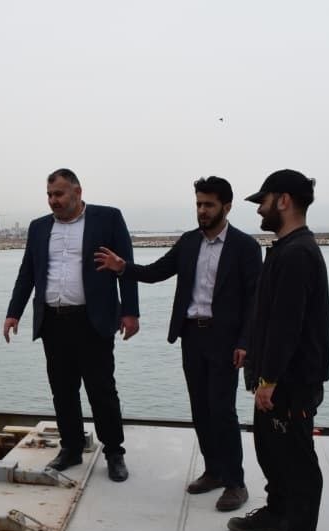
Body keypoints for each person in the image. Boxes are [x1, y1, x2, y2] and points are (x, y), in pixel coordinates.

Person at [94, 176, 262, 512]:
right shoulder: (188, 242)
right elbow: (157, 271)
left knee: (222, 411)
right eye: (199, 204)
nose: (202, 210)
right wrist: (122, 268)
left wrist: (246, 342)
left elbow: (254, 301)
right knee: (200, 409)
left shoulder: (245, 246)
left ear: (227, 207)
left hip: (225, 340)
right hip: (192, 336)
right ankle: (213, 471)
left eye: (209, 204)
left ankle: (235, 483)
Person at [226, 169, 329, 531]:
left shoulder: (298, 253)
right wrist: (256, 363)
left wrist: (269, 380)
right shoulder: (284, 249)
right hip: (274, 376)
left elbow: (289, 325)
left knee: (297, 458)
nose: (260, 210)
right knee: (270, 449)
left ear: (283, 200)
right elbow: (268, 317)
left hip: (293, 379)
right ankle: (278, 511)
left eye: (264, 201)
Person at [3, 168, 140, 481]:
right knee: (62, 389)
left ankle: (114, 452)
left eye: (59, 194)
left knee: (101, 389)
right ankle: (71, 447)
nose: (53, 200)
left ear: (77, 192)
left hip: (92, 320)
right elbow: (27, 273)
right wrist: (14, 313)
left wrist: (130, 312)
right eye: (49, 195)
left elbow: (126, 267)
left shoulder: (108, 218)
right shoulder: (39, 227)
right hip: (53, 320)